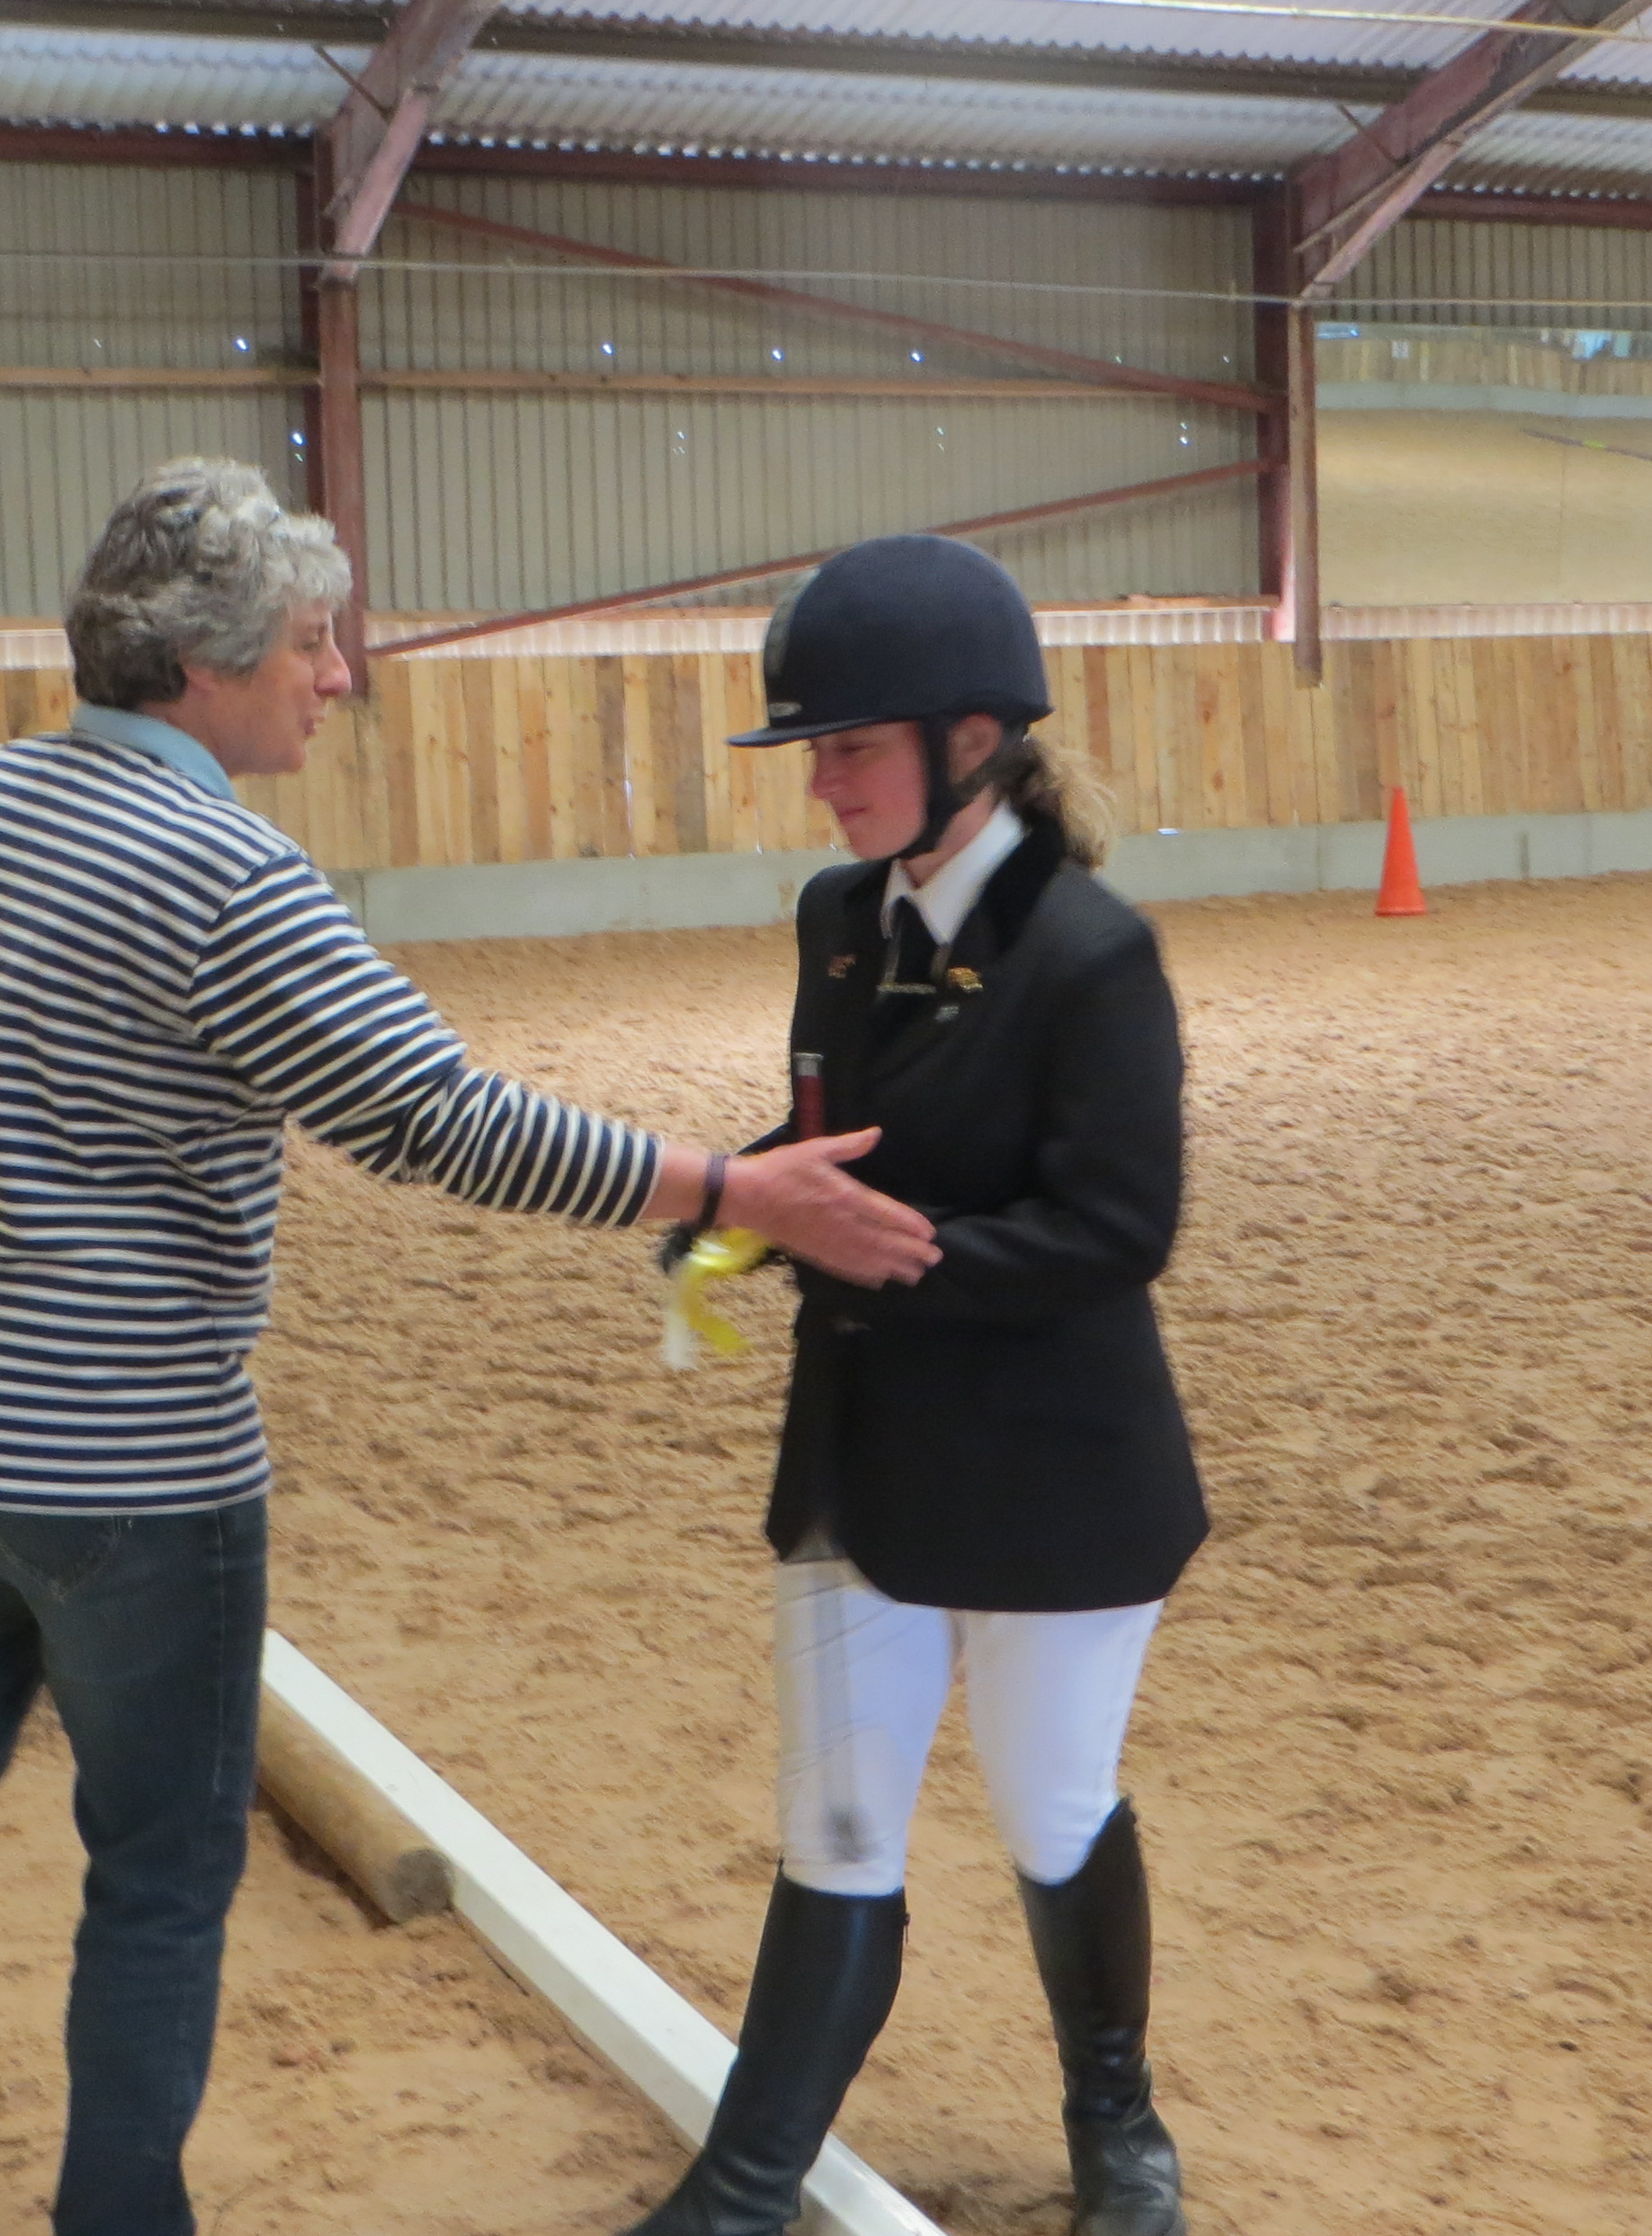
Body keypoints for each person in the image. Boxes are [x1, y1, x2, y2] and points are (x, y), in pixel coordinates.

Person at [0, 461, 936, 2236]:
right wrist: (733, 1188)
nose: (337, 674)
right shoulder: (227, 871)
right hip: (134, 1467)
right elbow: (438, 1121)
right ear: (202, 664)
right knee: (159, 1872)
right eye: (308, 643)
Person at [622, 535, 1206, 2236]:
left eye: (851, 748)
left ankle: (1117, 2118)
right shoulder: (836, 920)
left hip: (1053, 1472)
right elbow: (834, 1140)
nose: (822, 783)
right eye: (816, 750)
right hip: (859, 1456)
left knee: (1051, 1811)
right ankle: (739, 2194)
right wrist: (737, 1214)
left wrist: (888, 1253)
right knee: (837, 1827)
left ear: (973, 741)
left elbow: (1121, 1227)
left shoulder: (1089, 954)